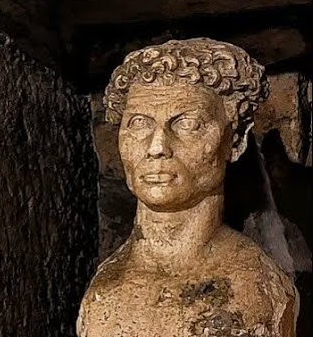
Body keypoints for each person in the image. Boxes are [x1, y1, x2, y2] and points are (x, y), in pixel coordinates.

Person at [78, 38, 298, 336]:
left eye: (187, 124)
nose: (156, 147)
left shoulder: (254, 289)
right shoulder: (102, 290)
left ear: (234, 141)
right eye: (139, 123)